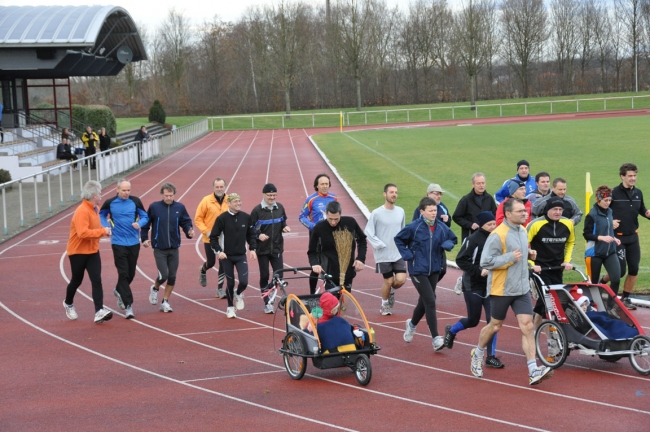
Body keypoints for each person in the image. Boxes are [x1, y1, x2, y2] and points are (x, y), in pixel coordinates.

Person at [470, 198, 553, 386]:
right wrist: (510, 258)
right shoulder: (497, 235)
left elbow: (520, 255)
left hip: (521, 288)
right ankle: (478, 352)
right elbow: (486, 262)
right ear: (508, 214)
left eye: (524, 211)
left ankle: (533, 370)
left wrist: (529, 256)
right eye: (520, 212)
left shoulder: (523, 231)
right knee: (495, 326)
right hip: (502, 289)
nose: (524, 214)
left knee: (528, 326)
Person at [396, 197, 457, 352]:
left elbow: (453, 238)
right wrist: (408, 255)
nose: (433, 213)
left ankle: (411, 325)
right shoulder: (414, 227)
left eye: (435, 210)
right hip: (418, 269)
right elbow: (399, 239)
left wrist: (447, 245)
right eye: (430, 210)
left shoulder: (442, 227)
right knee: (430, 300)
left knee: (424, 301)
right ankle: (436, 338)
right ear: (422, 211)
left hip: (434, 269)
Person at [444, 211, 503, 368]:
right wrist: (479, 270)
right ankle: (452, 331)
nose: (492, 227)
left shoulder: (497, 238)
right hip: (473, 285)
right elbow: (461, 260)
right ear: (482, 225)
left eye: (494, 224)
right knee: (473, 320)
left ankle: (491, 356)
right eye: (489, 224)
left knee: (493, 321)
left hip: (491, 286)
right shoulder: (473, 239)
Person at [62, 180, 113, 324]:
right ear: (93, 195)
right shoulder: (82, 211)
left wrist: (103, 231)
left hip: (92, 251)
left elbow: (94, 229)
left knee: (96, 279)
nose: (101, 195)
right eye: (100, 193)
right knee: (76, 280)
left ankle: (99, 311)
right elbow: (82, 233)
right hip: (77, 251)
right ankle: (68, 303)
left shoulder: (94, 209)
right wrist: (102, 231)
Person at [141, 182, 194, 313]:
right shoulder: (154, 207)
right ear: (162, 195)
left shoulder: (180, 207)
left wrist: (189, 231)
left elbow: (186, 222)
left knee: (172, 277)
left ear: (174, 194)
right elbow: (146, 224)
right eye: (166, 196)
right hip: (159, 247)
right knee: (163, 275)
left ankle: (165, 301)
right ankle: (155, 288)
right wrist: (144, 238)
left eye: (170, 195)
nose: (168, 198)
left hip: (174, 248)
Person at [100, 178, 149, 319]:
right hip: (118, 242)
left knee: (131, 274)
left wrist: (139, 224)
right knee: (123, 273)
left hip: (134, 241)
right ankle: (129, 306)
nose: (126, 193)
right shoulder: (110, 203)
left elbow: (145, 216)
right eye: (124, 190)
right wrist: (106, 226)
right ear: (117, 190)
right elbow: (102, 214)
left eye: (128, 190)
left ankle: (118, 289)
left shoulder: (135, 201)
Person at [527, 196, 576, 330]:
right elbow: (524, 244)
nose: (558, 212)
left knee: (544, 302)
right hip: (539, 270)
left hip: (556, 268)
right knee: (551, 302)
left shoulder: (568, 224)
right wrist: (531, 264)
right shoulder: (535, 224)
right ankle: (552, 340)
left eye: (560, 209)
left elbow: (571, 242)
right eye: (555, 209)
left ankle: (532, 332)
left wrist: (566, 261)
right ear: (547, 210)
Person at [607, 163, 650, 310]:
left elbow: (641, 209)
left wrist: (647, 213)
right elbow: (601, 211)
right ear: (622, 176)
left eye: (634, 175)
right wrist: (609, 221)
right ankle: (602, 282)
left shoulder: (638, 192)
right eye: (630, 176)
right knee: (620, 270)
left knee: (634, 269)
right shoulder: (612, 193)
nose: (633, 178)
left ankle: (625, 298)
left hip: (633, 237)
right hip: (618, 238)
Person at [209, 193, 257, 319]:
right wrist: (219, 251)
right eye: (235, 201)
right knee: (230, 283)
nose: (238, 203)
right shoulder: (222, 218)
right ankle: (230, 308)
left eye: (239, 201)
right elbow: (213, 237)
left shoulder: (246, 217)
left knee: (244, 281)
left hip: (241, 255)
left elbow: (251, 235)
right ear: (228, 203)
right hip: (226, 257)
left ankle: (238, 292)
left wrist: (253, 249)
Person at [365, 184, 406, 316]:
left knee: (400, 279)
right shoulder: (377, 213)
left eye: (396, 192)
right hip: (383, 254)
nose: (394, 194)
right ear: (385, 194)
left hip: (397, 252)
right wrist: (379, 244)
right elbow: (369, 232)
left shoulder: (400, 211)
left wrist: (404, 245)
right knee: (388, 281)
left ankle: (391, 291)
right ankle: (384, 304)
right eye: (391, 192)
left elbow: (403, 230)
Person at [307, 201, 367, 291]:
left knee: (345, 303)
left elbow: (362, 240)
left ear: (340, 214)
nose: (333, 222)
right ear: (326, 213)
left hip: (347, 272)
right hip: (329, 274)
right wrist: (315, 264)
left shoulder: (350, 223)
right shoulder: (319, 228)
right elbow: (312, 252)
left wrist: (360, 258)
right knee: (332, 303)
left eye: (336, 219)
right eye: (330, 219)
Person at [250, 183, 291, 314]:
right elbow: (250, 230)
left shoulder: (280, 208)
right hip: (262, 250)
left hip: (277, 248)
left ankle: (269, 295)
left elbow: (283, 221)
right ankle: (267, 302)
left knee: (279, 276)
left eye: (274, 195)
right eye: (269, 195)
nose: (272, 197)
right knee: (265, 275)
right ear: (264, 195)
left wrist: (285, 227)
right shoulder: (257, 211)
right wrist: (258, 235)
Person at [300, 173, 338, 294]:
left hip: (331, 236)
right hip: (316, 237)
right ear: (317, 185)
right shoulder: (311, 199)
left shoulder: (334, 198)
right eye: (322, 184)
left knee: (332, 264)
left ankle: (331, 291)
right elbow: (301, 217)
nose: (325, 186)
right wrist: (313, 227)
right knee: (316, 266)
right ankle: (312, 292)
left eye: (327, 184)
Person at [583, 185, 621, 302]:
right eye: (605, 200)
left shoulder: (609, 211)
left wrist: (613, 238)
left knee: (616, 278)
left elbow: (607, 229)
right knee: (593, 284)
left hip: (610, 251)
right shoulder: (592, 215)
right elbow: (586, 234)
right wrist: (601, 238)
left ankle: (611, 305)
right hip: (595, 253)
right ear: (598, 200)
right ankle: (593, 305)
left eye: (610, 200)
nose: (608, 203)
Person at [195, 177, 229, 298]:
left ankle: (219, 289)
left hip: (225, 239)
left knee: (223, 262)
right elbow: (198, 218)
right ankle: (203, 269)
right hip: (209, 238)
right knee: (211, 262)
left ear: (225, 187)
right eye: (217, 187)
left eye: (221, 187)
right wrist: (206, 231)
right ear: (213, 188)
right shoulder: (206, 200)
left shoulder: (229, 200)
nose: (219, 189)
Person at [452, 172, 497, 241]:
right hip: (471, 236)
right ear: (473, 185)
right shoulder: (466, 199)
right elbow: (456, 217)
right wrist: (470, 225)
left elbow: (495, 214)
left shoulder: (489, 198)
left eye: (483, 183)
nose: (481, 185)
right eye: (478, 183)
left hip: (488, 236)